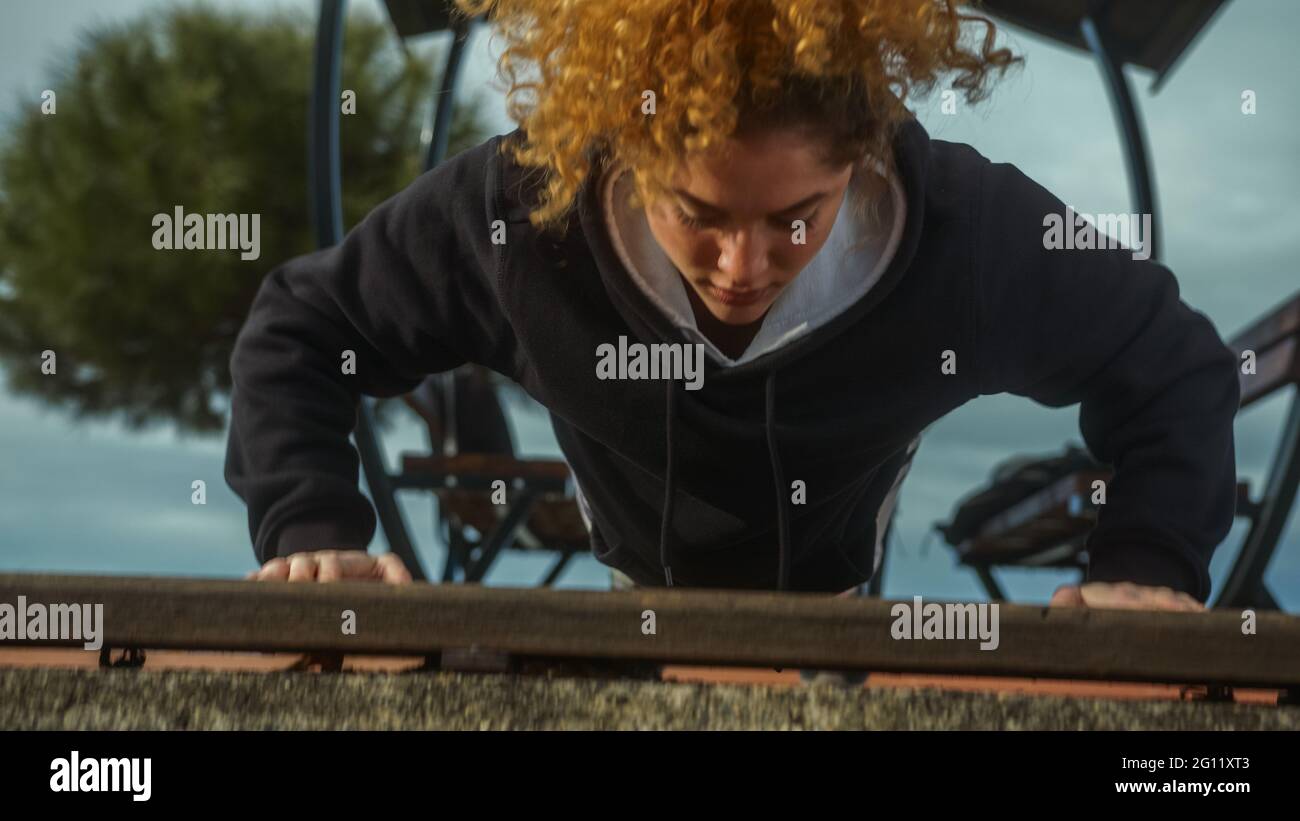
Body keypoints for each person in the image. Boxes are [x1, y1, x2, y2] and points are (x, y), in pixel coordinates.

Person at [230, 0, 1236, 614]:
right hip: (637, 576)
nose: (743, 265)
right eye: (696, 214)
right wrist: (311, 525)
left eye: (797, 216)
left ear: (865, 155)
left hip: (836, 585)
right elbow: (301, 334)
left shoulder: (967, 235)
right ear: (621, 150)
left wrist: (1145, 561)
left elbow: (1173, 372)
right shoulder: (518, 219)